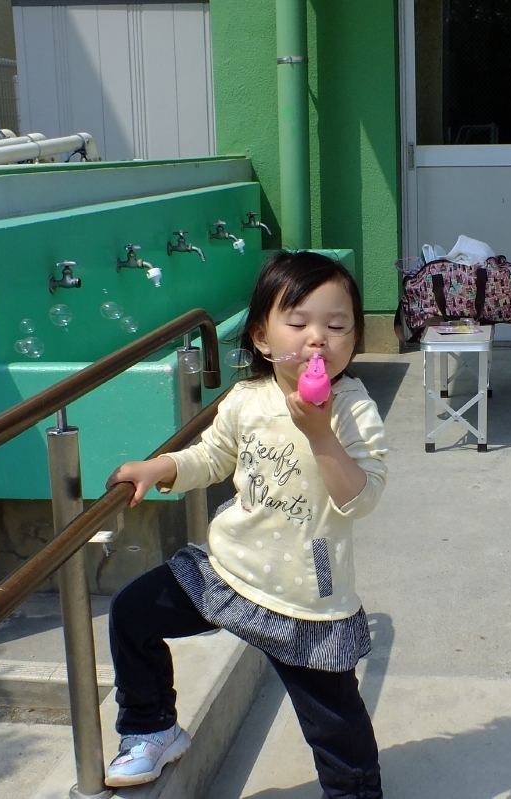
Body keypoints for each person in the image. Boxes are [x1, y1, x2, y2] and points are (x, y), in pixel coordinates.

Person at [103, 251, 388, 798]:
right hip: (229, 570)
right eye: (298, 323)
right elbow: (213, 456)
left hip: (305, 593)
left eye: (337, 326)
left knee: (335, 724)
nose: (318, 339)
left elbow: (361, 498)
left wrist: (321, 434)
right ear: (261, 337)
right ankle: (152, 728)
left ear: (354, 338)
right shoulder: (246, 398)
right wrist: (162, 467)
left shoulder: (353, 410)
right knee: (133, 612)